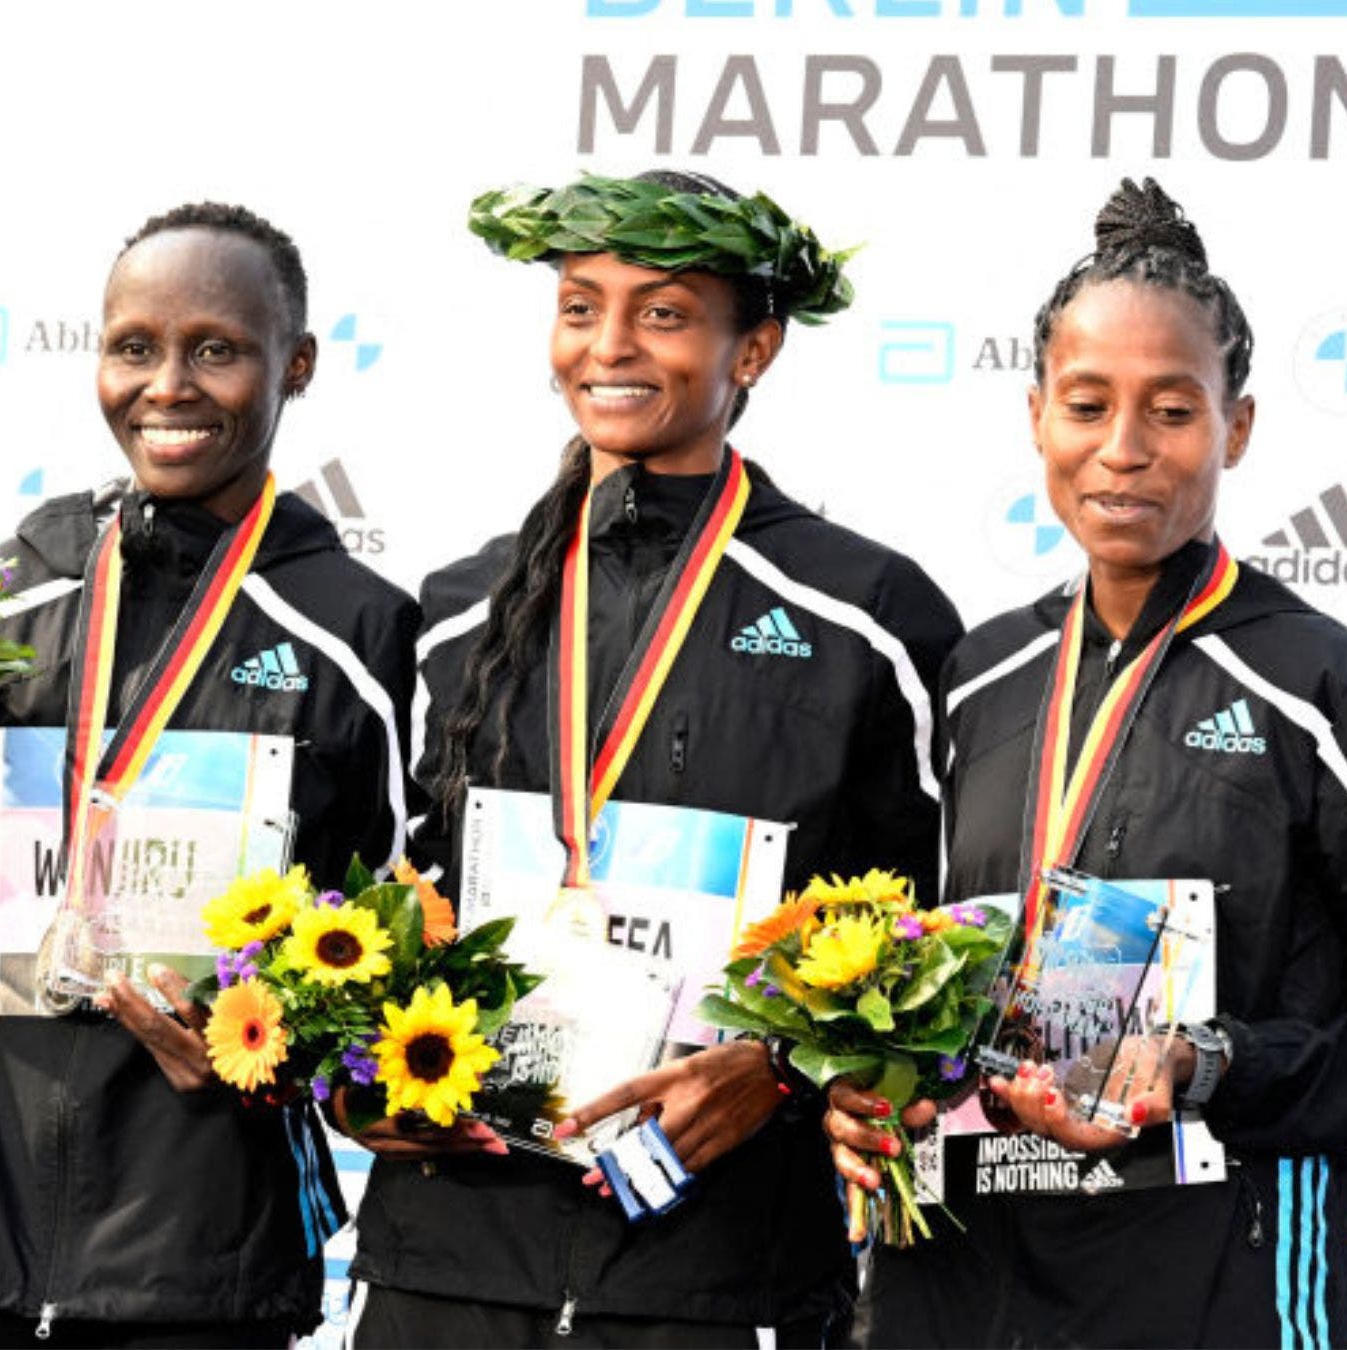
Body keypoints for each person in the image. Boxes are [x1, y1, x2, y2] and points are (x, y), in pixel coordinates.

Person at [827, 178, 1347, 1349]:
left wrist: (1203, 1064)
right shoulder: (978, 677)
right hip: (956, 1284)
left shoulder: (1330, 695)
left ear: (1237, 426)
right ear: (1036, 413)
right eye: (1087, 405)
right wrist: (864, 1083)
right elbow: (905, 966)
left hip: (1208, 1294)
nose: (1124, 452)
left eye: (1174, 411)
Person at [341, 169, 964, 1348]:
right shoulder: (464, 605)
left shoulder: (865, 614)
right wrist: (360, 1075)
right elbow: (397, 895)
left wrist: (777, 1065)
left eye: (663, 313)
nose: (609, 345)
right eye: (580, 307)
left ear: (757, 348)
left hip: (722, 1276)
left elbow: (939, 936)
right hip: (451, 1262)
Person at [0, 202, 420, 1349]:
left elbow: (381, 945)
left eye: (216, 349)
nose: (168, 385)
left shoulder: (357, 629)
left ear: (297, 365)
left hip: (201, 1261)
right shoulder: (10, 590)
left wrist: (274, 1038)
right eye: (134, 346)